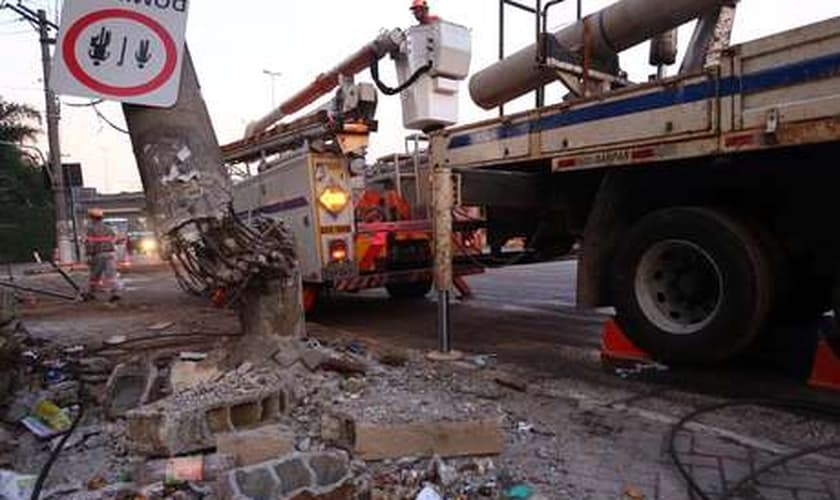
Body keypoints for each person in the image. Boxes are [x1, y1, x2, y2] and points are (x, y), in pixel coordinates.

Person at [84, 208, 120, 301]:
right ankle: (115, 292)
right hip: (110, 254)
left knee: (95, 275)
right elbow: (115, 240)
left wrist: (88, 255)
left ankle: (90, 293)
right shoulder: (108, 228)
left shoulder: (91, 229)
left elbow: (90, 243)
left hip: (98, 254)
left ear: (92, 218)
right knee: (111, 275)